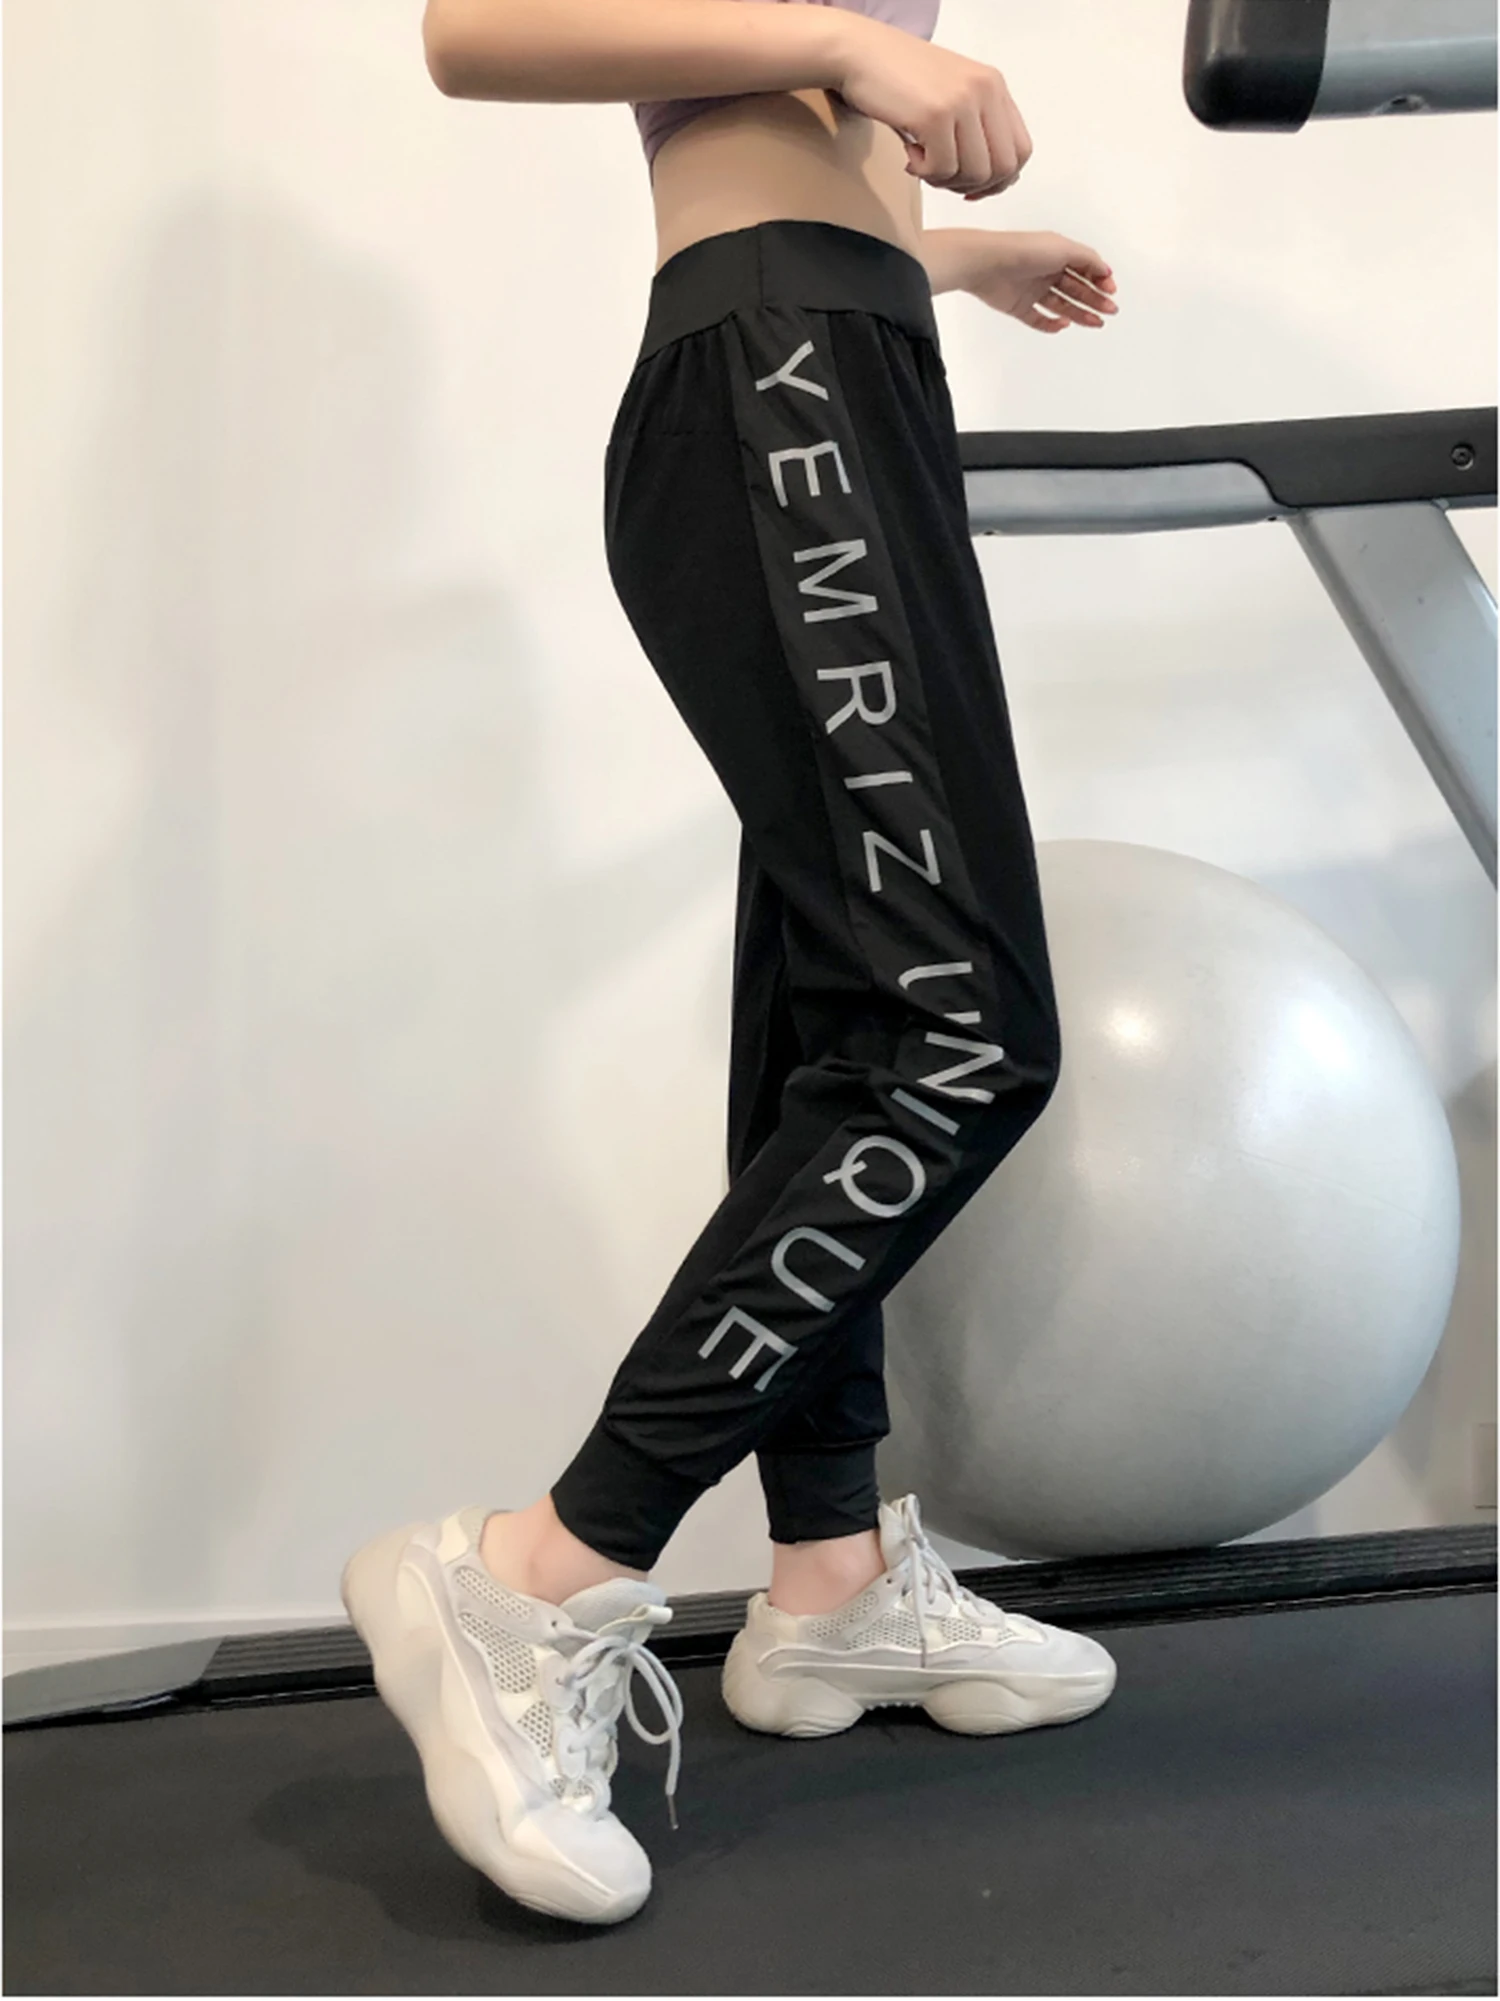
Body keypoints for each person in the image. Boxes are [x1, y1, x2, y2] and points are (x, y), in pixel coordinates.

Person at [342, 0, 1123, 1927]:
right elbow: (477, 28)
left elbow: (761, 135)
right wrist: (859, 55)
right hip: (783, 376)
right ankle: (533, 1570)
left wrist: (935, 257)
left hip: (847, 356)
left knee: (855, 1009)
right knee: (958, 1035)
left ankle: (828, 1575)